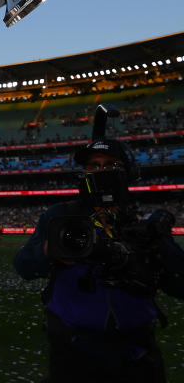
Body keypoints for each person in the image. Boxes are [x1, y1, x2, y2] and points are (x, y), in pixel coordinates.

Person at [13, 110, 184, 382]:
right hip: (73, 353)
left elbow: (180, 284)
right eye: (93, 165)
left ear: (129, 174)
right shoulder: (60, 215)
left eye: (111, 165)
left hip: (138, 353)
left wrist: (156, 243)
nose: (101, 171)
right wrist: (49, 250)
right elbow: (23, 266)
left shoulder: (142, 222)